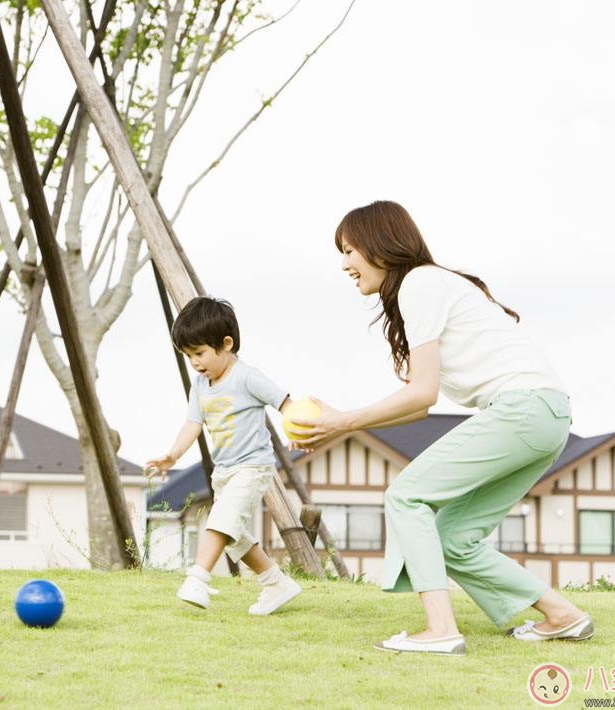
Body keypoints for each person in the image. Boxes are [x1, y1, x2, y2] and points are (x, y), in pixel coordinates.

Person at [291, 201, 592, 655]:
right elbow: (417, 404)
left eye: (350, 249)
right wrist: (342, 423)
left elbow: (423, 393)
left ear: (380, 245)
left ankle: (440, 630)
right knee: (453, 538)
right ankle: (562, 615)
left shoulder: (418, 282)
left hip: (523, 409)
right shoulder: (427, 288)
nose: (344, 263)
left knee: (405, 495)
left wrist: (343, 422)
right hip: (546, 416)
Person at [146, 296, 302, 616]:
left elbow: (285, 402)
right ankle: (276, 583)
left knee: (222, 521)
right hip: (225, 470)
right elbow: (193, 423)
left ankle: (198, 578)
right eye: (189, 356)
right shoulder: (202, 385)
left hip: (253, 466)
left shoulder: (247, 377)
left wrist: (298, 432)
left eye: (200, 353)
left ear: (226, 344)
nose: (195, 362)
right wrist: (173, 455)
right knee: (233, 536)